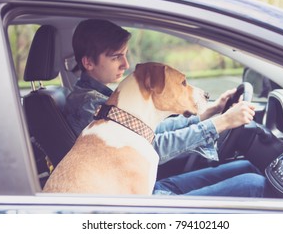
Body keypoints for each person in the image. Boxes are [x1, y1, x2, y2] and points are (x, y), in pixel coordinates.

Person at [64, 19, 271, 197]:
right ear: (88, 62)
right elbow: (154, 147)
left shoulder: (104, 99)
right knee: (253, 185)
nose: (125, 64)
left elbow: (150, 132)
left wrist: (210, 112)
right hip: (142, 203)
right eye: (116, 56)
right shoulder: (89, 106)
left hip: (147, 187)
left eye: (125, 54)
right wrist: (221, 123)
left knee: (246, 167)